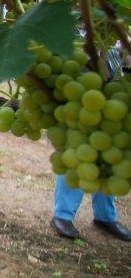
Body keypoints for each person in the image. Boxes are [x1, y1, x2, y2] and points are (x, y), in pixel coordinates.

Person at [51, 46, 131, 242]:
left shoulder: (114, 23)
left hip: (113, 87)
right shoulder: (78, 21)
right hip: (83, 87)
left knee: (109, 152)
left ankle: (105, 217)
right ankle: (62, 215)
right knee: (79, 150)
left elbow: (123, 51)